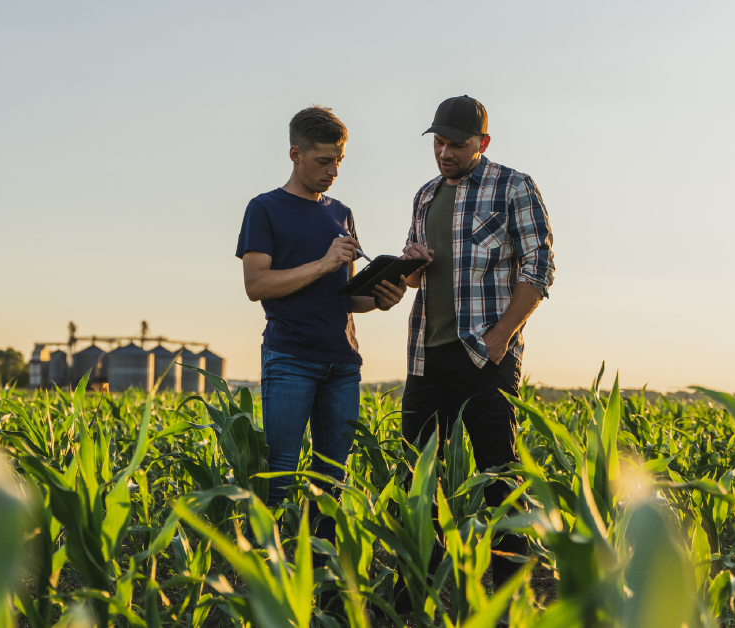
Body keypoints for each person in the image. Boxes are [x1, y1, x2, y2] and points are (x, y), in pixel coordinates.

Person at [400, 95, 555, 588]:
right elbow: (412, 282)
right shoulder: (425, 195)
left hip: (485, 355)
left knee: (498, 475)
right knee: (416, 476)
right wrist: (410, 265)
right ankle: (421, 589)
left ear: (482, 143)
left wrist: (499, 338)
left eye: (456, 145)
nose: (445, 153)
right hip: (427, 354)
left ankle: (510, 592)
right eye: (438, 143)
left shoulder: (514, 186)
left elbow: (540, 266)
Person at [236, 105, 408, 543]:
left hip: (343, 364)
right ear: (295, 154)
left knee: (332, 480)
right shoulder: (265, 209)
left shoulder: (342, 213)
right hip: (290, 358)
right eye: (323, 161)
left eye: (340, 161)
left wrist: (382, 298)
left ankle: (323, 579)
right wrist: (325, 261)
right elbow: (256, 285)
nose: (333, 171)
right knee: (280, 477)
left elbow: (345, 297)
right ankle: (268, 578)